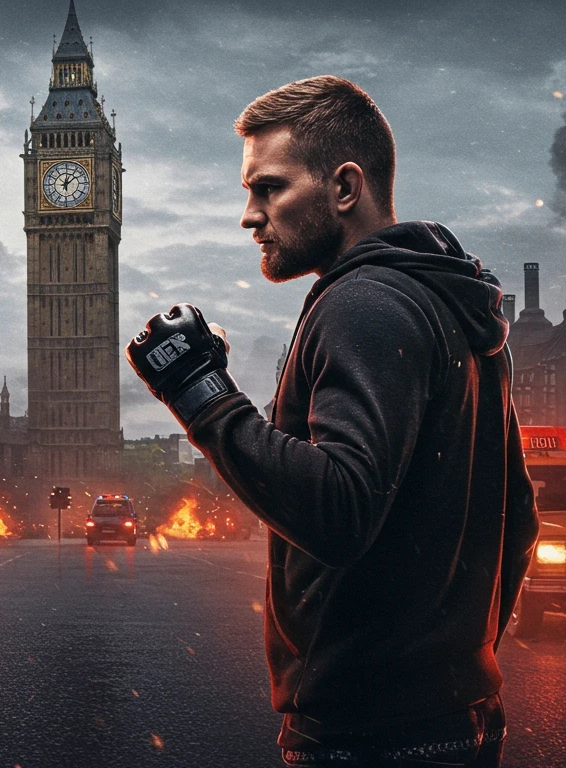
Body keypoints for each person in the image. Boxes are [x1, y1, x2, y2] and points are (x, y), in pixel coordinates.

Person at [126, 76, 539, 767]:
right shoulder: (455, 309)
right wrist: (450, 655)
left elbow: (340, 510)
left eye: (270, 188)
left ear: (345, 188)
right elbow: (519, 515)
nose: (250, 216)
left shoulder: (363, 305)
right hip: (455, 723)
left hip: (369, 737)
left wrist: (203, 397)